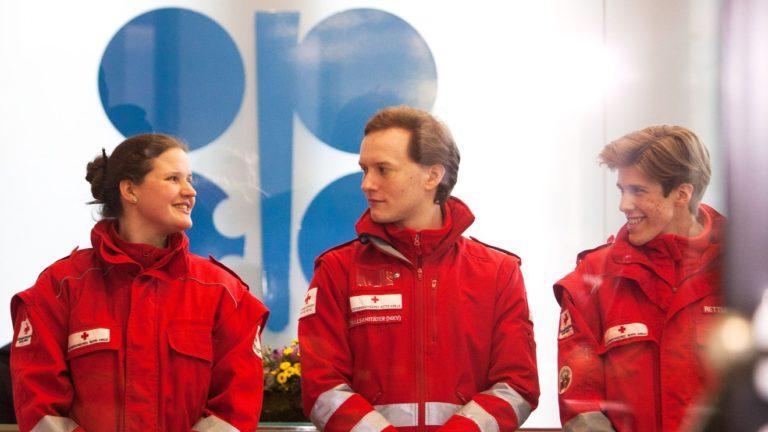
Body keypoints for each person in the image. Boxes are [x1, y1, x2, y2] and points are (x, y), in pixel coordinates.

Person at [299, 106, 539, 432]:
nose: (367, 184)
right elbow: (322, 388)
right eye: (364, 170)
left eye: (383, 170)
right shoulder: (336, 270)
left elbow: (518, 385)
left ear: (432, 176)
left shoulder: (498, 272)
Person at [10, 134, 268, 432]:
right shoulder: (59, 288)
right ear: (130, 190)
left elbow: (234, 410)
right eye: (173, 178)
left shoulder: (224, 293)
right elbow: (39, 406)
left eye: (189, 179)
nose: (190, 191)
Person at [554, 125, 725, 432]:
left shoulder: (745, 273)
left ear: (682, 194)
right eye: (622, 190)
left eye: (638, 191)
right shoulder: (590, 282)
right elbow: (581, 406)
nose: (623, 205)